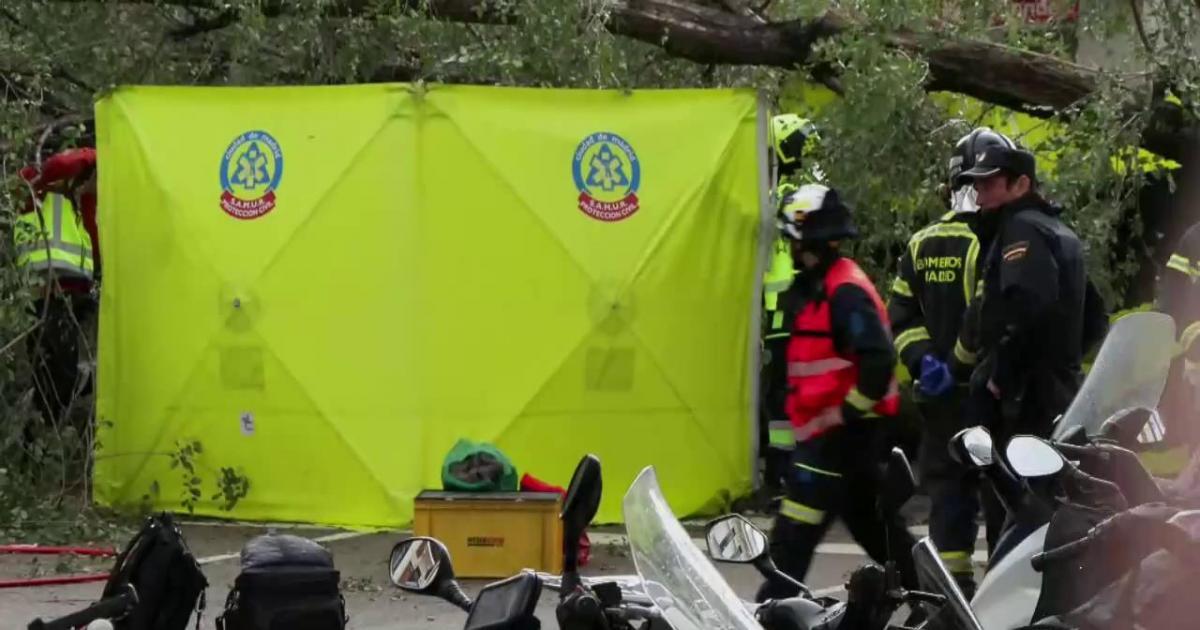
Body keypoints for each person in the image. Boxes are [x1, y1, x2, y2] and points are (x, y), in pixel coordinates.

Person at [758, 183, 917, 601]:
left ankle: (769, 610)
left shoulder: (844, 291)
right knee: (877, 529)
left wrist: (842, 414)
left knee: (792, 535)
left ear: (812, 243)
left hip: (839, 438)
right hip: (834, 437)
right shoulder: (823, 287)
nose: (790, 252)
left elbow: (879, 363)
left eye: (793, 243)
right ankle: (936, 601)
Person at [887, 127, 1015, 595]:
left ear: (948, 185)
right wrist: (957, 366)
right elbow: (986, 320)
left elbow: (901, 315)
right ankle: (1000, 600)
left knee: (948, 500)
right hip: (988, 396)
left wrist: (924, 365)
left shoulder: (922, 244)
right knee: (1004, 499)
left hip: (940, 404)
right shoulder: (996, 239)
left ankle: (948, 600)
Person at [955, 144, 1102, 548]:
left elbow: (1027, 307)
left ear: (1021, 184)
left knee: (1016, 519)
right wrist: (1064, 361)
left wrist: (999, 379)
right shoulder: (1058, 231)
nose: (980, 195)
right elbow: (1096, 318)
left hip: (1024, 405)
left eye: (989, 184)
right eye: (976, 185)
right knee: (1051, 515)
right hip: (1059, 397)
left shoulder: (1020, 230)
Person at [13, 147, 100, 427]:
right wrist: (99, 154)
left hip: (74, 298)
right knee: (56, 376)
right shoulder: (35, 189)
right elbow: (61, 164)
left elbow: (95, 247)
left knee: (58, 376)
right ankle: (35, 428)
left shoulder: (79, 202)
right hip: (46, 298)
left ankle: (41, 427)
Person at [759, 114, 822, 498]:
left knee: (780, 398)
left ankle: (782, 477)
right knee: (782, 397)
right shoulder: (799, 193)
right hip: (788, 310)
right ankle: (785, 474)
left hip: (786, 311)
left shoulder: (786, 196)